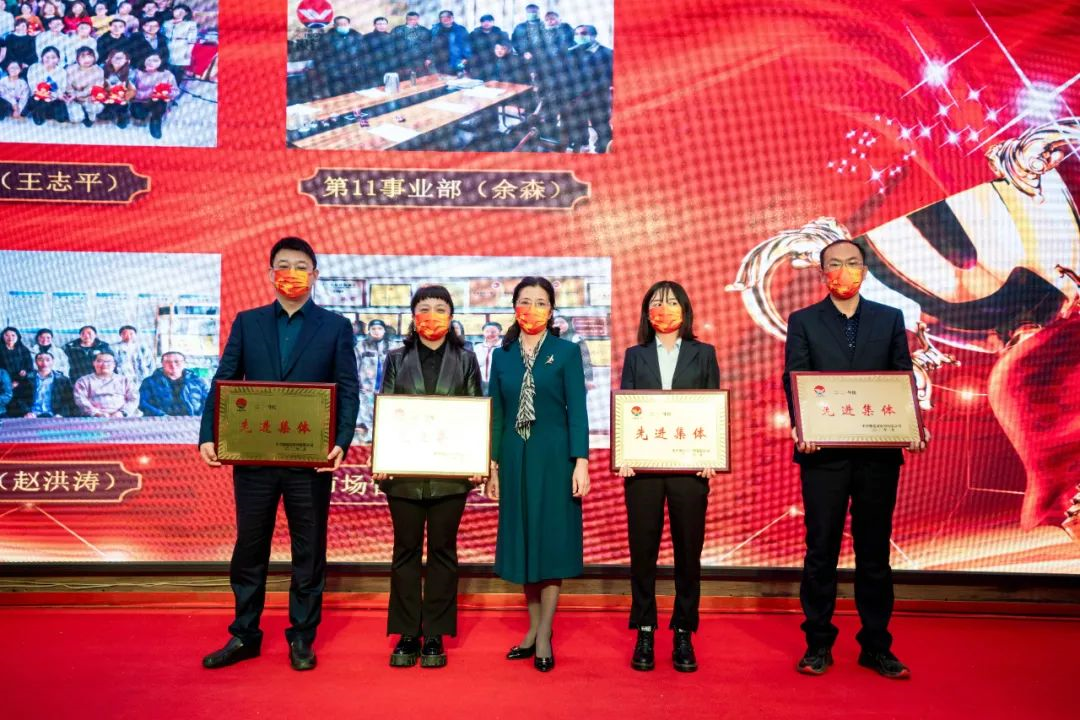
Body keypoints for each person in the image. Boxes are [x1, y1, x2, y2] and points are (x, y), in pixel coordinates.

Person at [199, 237, 360, 673]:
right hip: (254, 459)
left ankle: (302, 636)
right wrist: (208, 435)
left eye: (301, 266)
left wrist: (341, 440)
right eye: (283, 265)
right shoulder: (248, 322)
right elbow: (224, 380)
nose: (292, 273)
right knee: (250, 547)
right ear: (270, 274)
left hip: (311, 460)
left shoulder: (335, 326)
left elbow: (348, 389)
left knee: (309, 550)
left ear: (315, 275)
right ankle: (244, 634)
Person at [783, 239, 929, 679]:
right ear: (821, 273)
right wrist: (802, 426)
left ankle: (876, 645)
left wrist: (913, 425)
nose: (843, 271)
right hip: (823, 455)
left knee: (874, 553)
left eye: (852, 263)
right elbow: (795, 377)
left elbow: (902, 376)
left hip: (877, 456)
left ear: (865, 270)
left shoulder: (889, 318)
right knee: (821, 552)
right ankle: (817, 644)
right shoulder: (804, 321)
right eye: (834, 264)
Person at [374, 285, 483, 669]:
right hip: (403, 473)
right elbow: (386, 408)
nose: (432, 315)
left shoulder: (466, 359)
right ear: (413, 316)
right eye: (425, 308)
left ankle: (435, 632)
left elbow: (475, 411)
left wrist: (477, 460)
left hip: (450, 474)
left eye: (440, 308)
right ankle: (407, 633)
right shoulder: (395, 358)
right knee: (404, 551)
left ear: (451, 317)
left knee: (442, 551)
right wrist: (381, 455)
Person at [486, 277, 589, 673]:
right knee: (525, 544)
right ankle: (532, 630)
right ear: (514, 308)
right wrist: (493, 465)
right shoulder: (502, 355)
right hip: (515, 457)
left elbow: (577, 410)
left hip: (555, 458)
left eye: (541, 302)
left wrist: (580, 461)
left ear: (552, 309)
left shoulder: (566, 352)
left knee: (551, 544)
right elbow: (496, 414)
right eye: (525, 301)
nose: (532, 308)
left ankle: (544, 634)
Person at [617, 281, 720, 673]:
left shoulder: (703, 353)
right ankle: (644, 628)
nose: (664, 309)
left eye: (672, 302)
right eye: (657, 303)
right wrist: (625, 453)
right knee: (642, 551)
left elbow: (713, 406)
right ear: (647, 311)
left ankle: (683, 631)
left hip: (689, 469)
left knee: (688, 552)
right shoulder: (635, 355)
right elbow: (627, 407)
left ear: (685, 309)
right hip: (642, 470)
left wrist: (712, 453)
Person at [563, 25, 612, 153]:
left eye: (584, 33)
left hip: (597, 96)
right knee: (578, 123)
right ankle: (582, 145)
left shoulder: (607, 53)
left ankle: (604, 150)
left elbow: (607, 78)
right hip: (575, 96)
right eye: (577, 33)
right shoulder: (571, 52)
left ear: (594, 35)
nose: (579, 36)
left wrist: (586, 92)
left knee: (600, 125)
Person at [139, 350, 207, 416]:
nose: (172, 365)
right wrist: (162, 416)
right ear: (162, 363)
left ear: (184, 363)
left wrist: (199, 417)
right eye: (168, 362)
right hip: (158, 421)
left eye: (177, 361)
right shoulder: (149, 382)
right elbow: (142, 403)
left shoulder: (198, 381)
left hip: (193, 421)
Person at [73, 351, 139, 417]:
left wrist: (122, 413)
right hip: (94, 417)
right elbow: (80, 400)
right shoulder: (83, 381)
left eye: (108, 361)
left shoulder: (125, 380)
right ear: (94, 363)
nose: (104, 364)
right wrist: (97, 413)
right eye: (100, 361)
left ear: (114, 365)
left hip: (122, 417)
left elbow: (133, 399)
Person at [10, 351, 76, 417]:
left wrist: (61, 414)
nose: (44, 363)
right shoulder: (27, 379)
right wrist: (26, 412)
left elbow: (69, 400)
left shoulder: (63, 380)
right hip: (32, 415)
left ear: (53, 361)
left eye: (48, 360)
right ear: (36, 362)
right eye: (40, 360)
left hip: (54, 415)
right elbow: (19, 399)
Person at [129, 51, 175, 138]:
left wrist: (167, 93)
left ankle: (155, 123)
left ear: (161, 61)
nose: (151, 63)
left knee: (159, 105)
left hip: (157, 101)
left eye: (155, 60)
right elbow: (129, 86)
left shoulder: (167, 74)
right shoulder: (137, 72)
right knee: (139, 112)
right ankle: (141, 116)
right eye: (149, 60)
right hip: (141, 100)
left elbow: (175, 90)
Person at [319, 15, 364, 97]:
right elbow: (321, 56)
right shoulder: (327, 38)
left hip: (353, 72)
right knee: (337, 97)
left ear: (349, 25)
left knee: (355, 96)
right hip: (335, 75)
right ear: (334, 26)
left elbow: (363, 52)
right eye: (340, 24)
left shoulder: (357, 36)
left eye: (345, 24)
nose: (343, 26)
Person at [552, 314, 594, 389]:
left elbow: (586, 360)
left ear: (569, 324)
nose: (558, 325)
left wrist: (589, 379)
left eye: (562, 322)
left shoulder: (576, 339)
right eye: (556, 323)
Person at [64, 45, 103, 126]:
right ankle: (80, 112)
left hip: (88, 97)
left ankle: (89, 114)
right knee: (76, 118)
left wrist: (78, 95)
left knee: (97, 107)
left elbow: (94, 88)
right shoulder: (70, 69)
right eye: (83, 57)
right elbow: (67, 85)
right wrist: (73, 94)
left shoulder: (98, 70)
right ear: (77, 59)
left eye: (90, 56)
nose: (87, 60)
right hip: (73, 98)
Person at [98, 47, 134, 127]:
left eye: (120, 58)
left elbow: (131, 89)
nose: (117, 60)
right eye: (114, 57)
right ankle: (109, 111)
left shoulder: (131, 71)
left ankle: (122, 114)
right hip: (106, 95)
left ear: (127, 60)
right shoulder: (102, 68)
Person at [391, 11, 431, 77]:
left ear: (418, 19)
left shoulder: (424, 30)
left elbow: (429, 45)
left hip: (420, 61)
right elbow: (392, 45)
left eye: (414, 19)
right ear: (406, 19)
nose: (412, 21)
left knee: (421, 80)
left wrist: (428, 58)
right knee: (406, 80)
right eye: (410, 19)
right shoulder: (397, 30)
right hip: (403, 62)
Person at [162, 2, 194, 84]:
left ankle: (175, 87)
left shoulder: (190, 24)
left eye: (182, 12)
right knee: (166, 69)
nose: (179, 13)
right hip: (167, 46)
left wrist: (189, 51)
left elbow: (192, 39)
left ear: (186, 13)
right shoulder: (166, 23)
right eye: (177, 11)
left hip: (181, 47)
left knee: (177, 70)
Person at [430, 10, 469, 75]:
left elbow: (467, 45)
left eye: (448, 16)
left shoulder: (461, 30)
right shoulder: (434, 30)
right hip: (439, 63)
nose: (445, 19)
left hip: (457, 62)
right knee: (441, 80)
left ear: (452, 18)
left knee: (458, 79)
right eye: (442, 17)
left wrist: (465, 58)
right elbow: (429, 45)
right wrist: (429, 58)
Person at [468, 14, 504, 79]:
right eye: (484, 21)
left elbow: (505, 46)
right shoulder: (474, 34)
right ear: (481, 23)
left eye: (489, 21)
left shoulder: (500, 33)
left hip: (494, 62)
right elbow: (469, 48)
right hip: (478, 63)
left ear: (493, 22)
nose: (486, 23)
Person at [363, 16, 394, 88]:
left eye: (384, 24)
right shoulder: (366, 37)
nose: (382, 26)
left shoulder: (391, 37)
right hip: (373, 69)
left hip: (389, 67)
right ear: (374, 25)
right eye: (379, 24)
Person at [0, 326, 33, 390]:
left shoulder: (24, 349)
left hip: (21, 380)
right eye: (7, 335)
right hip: (3, 381)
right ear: (2, 337)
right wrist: (7, 383)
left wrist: (25, 371)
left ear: (18, 337)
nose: (10, 338)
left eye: (13, 335)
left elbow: (29, 366)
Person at [473, 320, 502, 391]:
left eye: (493, 332)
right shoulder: (477, 347)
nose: (490, 334)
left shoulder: (505, 347)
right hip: (480, 383)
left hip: (499, 383)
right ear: (483, 332)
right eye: (487, 331)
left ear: (500, 332)